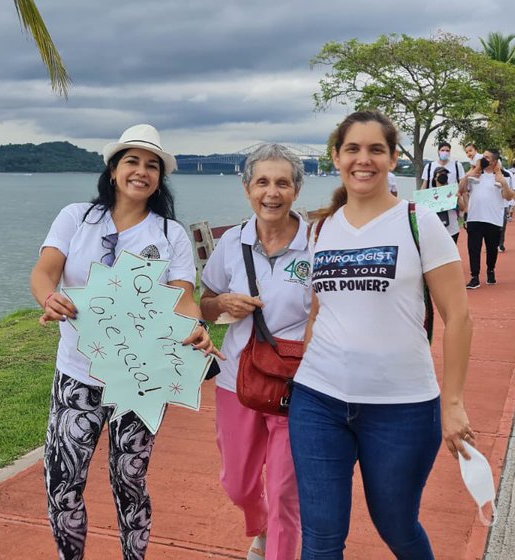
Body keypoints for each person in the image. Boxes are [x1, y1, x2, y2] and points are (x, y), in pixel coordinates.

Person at [32, 124, 223, 560]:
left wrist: (195, 328)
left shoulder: (169, 234)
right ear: (114, 169)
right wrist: (49, 297)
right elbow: (45, 271)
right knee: (63, 484)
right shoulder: (76, 217)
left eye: (152, 165)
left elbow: (184, 297)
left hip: (141, 379)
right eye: (132, 161)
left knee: (130, 481)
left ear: (160, 178)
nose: (142, 171)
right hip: (77, 376)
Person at [291, 110, 474, 559]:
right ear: (336, 157)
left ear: (394, 159)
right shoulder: (321, 228)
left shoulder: (419, 221)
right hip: (318, 400)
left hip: (403, 408)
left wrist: (452, 404)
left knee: (396, 525)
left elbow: (459, 317)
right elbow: (319, 309)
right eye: (352, 148)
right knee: (320, 537)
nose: (363, 159)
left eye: (376, 150)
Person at [199, 144, 310, 560]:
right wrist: (223, 303)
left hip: (296, 386)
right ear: (247, 188)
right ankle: (259, 526)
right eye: (262, 182)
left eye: (283, 183)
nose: (272, 192)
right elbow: (204, 303)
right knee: (238, 484)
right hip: (237, 382)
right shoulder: (232, 243)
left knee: (285, 491)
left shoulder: (315, 244)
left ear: (296, 190)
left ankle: (278, 549)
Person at [462, 148, 515, 288]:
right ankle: (475, 276)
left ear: (495, 161)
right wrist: (470, 173)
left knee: (492, 249)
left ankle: (490, 270)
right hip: (475, 217)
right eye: (483, 156)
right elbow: (461, 189)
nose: (483, 159)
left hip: (493, 219)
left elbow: (509, 197)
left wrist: (503, 182)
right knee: (473, 249)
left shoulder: (504, 176)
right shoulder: (476, 174)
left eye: (487, 157)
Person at [420, 141, 467, 243]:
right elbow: (423, 187)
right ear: (438, 152)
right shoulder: (429, 167)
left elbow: (463, 198)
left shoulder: (456, 166)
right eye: (442, 150)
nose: (445, 152)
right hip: (433, 220)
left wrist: (458, 196)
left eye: (447, 151)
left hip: (452, 222)